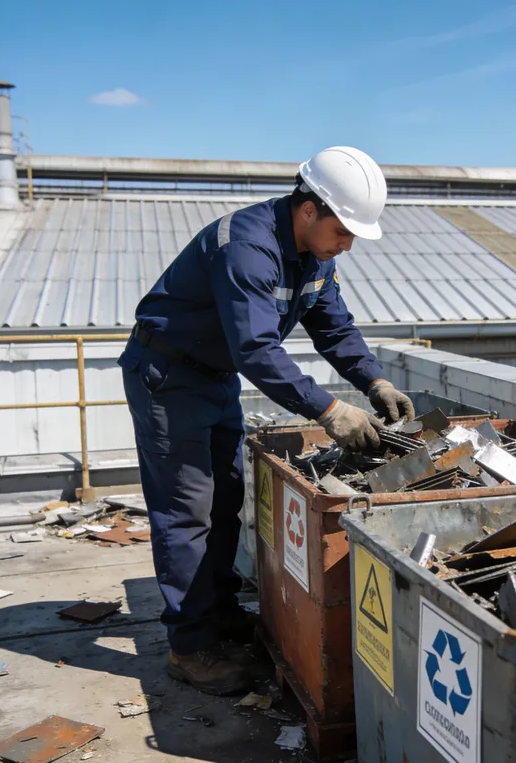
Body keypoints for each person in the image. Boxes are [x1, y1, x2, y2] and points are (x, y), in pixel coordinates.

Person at [118, 146, 414, 695]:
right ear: (308, 210)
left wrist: (374, 382)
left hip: (212, 375)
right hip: (168, 375)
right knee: (187, 512)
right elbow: (256, 349)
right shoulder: (249, 247)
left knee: (227, 499)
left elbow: (334, 328)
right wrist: (329, 410)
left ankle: (220, 615)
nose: (347, 244)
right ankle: (189, 647)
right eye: (343, 230)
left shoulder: (317, 257)